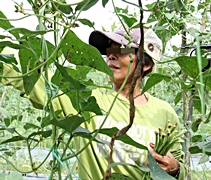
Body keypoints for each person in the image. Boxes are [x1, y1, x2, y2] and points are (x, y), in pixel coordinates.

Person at [1, 27, 187, 180]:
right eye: (109, 51)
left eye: (121, 50)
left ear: (145, 64)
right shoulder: (86, 100)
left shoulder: (164, 112)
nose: (111, 56)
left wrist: (174, 168)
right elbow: (35, 77)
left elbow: (180, 169)